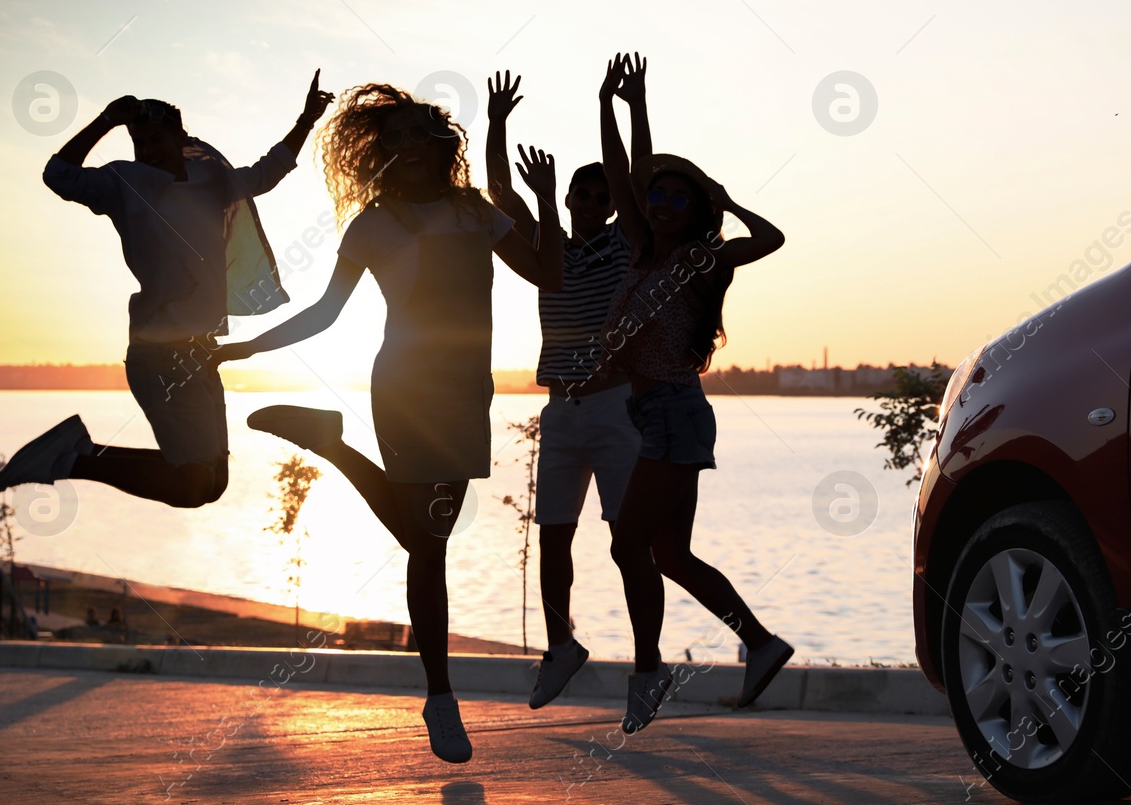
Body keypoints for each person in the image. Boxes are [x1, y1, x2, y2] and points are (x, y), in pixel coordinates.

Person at [212, 77, 562, 764]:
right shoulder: (373, 223)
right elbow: (325, 312)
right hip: (404, 386)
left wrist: (545, 201)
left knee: (426, 535)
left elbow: (549, 274)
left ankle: (331, 445)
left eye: (413, 134)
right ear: (378, 152)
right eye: (390, 137)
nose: (402, 146)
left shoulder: (475, 212)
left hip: (466, 391)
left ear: (438, 144)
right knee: (427, 546)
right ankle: (439, 696)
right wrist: (249, 346)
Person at [0, 73, 334, 507]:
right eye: (140, 142)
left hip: (203, 351)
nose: (148, 151)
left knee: (213, 485)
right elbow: (59, 175)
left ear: (180, 137)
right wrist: (107, 120)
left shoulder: (211, 180)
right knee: (190, 487)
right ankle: (74, 459)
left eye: (156, 140)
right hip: (161, 354)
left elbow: (266, 173)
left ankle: (78, 453)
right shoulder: (124, 183)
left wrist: (306, 120)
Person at [573, 52, 792, 734]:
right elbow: (623, 173)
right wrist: (615, 105)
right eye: (656, 196)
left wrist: (725, 204)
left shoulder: (703, 258)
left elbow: (773, 237)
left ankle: (649, 668)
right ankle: (761, 644)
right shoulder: (640, 249)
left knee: (625, 543)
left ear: (695, 210)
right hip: (656, 414)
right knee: (668, 553)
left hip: (676, 413)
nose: (661, 202)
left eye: (678, 197)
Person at [483, 72, 644, 710]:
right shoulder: (549, 248)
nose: (593, 194)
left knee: (628, 540)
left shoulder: (622, 243)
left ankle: (647, 663)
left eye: (601, 190)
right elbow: (499, 195)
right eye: (584, 186)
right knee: (553, 534)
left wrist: (611, 105)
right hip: (561, 409)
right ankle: (561, 645)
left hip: (614, 406)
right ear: (568, 193)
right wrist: (496, 123)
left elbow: (625, 174)